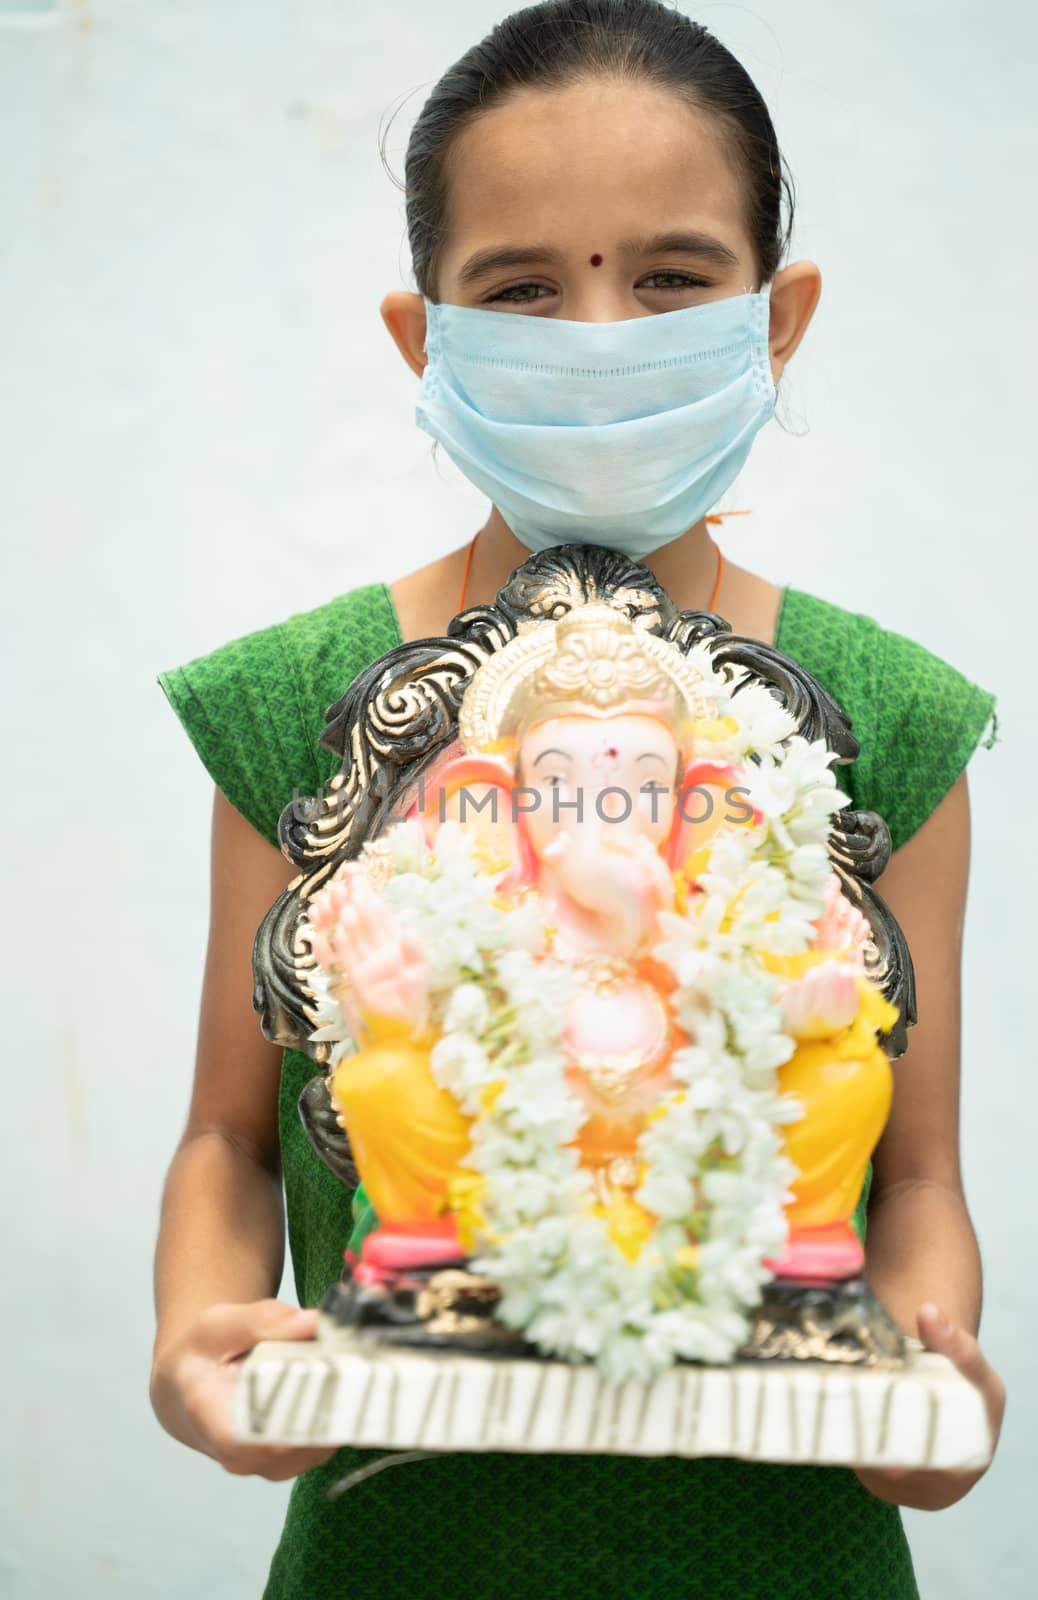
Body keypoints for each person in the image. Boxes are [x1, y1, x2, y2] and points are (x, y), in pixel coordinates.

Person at [149, 4, 1005, 1596]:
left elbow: (919, 1179)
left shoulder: (889, 721)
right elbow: (229, 1135)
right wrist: (193, 1339)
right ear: (427, 337)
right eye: (522, 288)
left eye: (672, 275)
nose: (600, 334)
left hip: (788, 1556)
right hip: (398, 1549)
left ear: (776, 313)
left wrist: (919, 1377)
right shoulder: (291, 701)